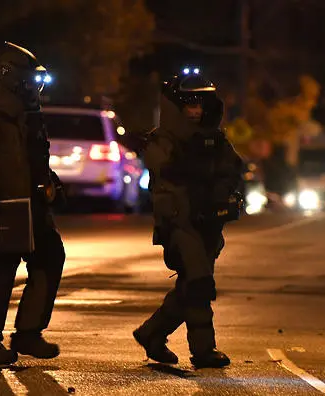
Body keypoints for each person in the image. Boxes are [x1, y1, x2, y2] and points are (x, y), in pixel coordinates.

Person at [0, 42, 66, 365]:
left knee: (51, 257)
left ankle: (28, 332)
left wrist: (52, 184)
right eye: (31, 82)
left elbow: (36, 156)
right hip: (3, 207)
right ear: (12, 78)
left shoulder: (29, 112)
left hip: (32, 205)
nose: (36, 89)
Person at [133, 70, 244, 369]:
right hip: (180, 225)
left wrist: (224, 196)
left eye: (200, 104)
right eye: (189, 104)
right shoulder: (162, 140)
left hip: (209, 224)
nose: (195, 110)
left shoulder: (215, 139)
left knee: (191, 286)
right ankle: (204, 351)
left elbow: (232, 169)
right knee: (198, 284)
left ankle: (151, 333)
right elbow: (167, 172)